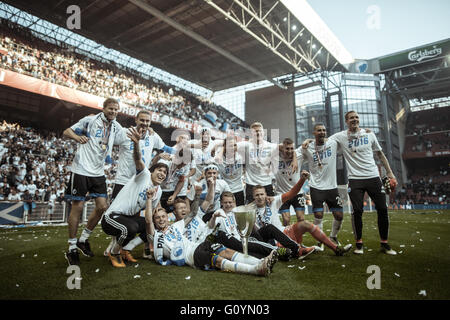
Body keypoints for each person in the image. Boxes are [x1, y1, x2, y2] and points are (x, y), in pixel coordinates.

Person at [302, 111, 398, 255]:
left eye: (357, 117)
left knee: (383, 209)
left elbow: (380, 154)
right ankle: (359, 244)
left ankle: (384, 243)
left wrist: (389, 173)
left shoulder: (369, 134)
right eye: (351, 118)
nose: (355, 119)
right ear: (346, 121)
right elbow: (322, 139)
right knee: (357, 211)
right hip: (355, 179)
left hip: (373, 177)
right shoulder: (340, 136)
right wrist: (309, 140)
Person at [145, 190, 277, 277]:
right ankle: (256, 270)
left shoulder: (175, 226)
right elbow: (147, 220)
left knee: (226, 252)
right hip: (190, 256)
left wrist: (196, 196)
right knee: (219, 261)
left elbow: (192, 213)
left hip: (198, 246)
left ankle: (261, 261)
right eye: (158, 218)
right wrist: (150, 199)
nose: (161, 219)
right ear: (154, 221)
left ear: (168, 218)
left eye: (163, 217)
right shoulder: (156, 237)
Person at [63, 98, 123, 265]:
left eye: (116, 109)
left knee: (103, 206)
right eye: (110, 109)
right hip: (81, 169)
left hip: (98, 172)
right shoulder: (90, 120)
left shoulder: (116, 126)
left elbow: (126, 136)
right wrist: (76, 137)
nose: (113, 112)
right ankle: (72, 248)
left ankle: (83, 239)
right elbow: (66, 131)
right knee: (78, 207)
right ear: (103, 108)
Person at [100, 127, 168, 267]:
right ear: (152, 171)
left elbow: (149, 216)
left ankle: (126, 249)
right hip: (111, 218)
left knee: (149, 224)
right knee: (128, 228)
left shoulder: (158, 191)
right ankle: (113, 253)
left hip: (128, 218)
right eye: (159, 170)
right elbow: (138, 159)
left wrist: (155, 233)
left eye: (165, 172)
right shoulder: (144, 176)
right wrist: (136, 143)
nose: (162, 174)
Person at [251, 171, 352, 258]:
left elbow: (292, 193)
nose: (260, 197)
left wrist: (302, 180)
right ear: (253, 197)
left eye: (261, 194)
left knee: (305, 224)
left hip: (285, 232)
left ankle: (336, 248)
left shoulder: (273, 201)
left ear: (266, 195)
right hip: (270, 241)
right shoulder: (249, 209)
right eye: (257, 195)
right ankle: (300, 250)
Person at [111, 110, 174, 202]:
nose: (145, 123)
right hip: (123, 181)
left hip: (140, 182)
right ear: (136, 120)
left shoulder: (152, 136)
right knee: (113, 211)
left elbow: (166, 148)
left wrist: (185, 150)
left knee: (133, 213)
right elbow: (108, 140)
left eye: (147, 121)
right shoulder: (125, 133)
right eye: (142, 120)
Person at [300, 124, 344, 249]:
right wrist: (307, 141)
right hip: (316, 186)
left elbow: (347, 136)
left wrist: (365, 131)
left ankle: (333, 236)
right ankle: (320, 240)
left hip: (331, 186)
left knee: (339, 215)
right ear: (314, 133)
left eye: (324, 130)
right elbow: (296, 153)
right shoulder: (308, 147)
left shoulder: (333, 143)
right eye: (319, 130)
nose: (322, 132)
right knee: (318, 215)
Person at [212, 191, 291, 260]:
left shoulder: (236, 210)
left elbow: (249, 209)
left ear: (234, 202)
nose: (228, 204)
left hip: (245, 237)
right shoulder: (219, 213)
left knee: (268, 228)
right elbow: (211, 228)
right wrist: (214, 218)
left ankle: (295, 248)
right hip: (235, 242)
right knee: (255, 247)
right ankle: (276, 250)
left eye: (230, 202)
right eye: (225, 203)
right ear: (221, 203)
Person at [274, 138, 306, 226]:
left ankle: (297, 238)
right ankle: (287, 239)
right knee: (286, 219)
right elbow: (268, 146)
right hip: (282, 193)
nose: (290, 151)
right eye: (287, 148)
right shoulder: (275, 156)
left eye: (292, 148)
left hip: (297, 192)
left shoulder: (299, 154)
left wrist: (295, 156)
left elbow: (310, 141)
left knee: (301, 218)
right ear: (282, 148)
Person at [215, 135, 245, 206]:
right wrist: (222, 148)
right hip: (226, 191)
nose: (232, 148)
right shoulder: (219, 158)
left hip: (239, 189)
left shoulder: (241, 156)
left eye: (234, 145)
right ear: (225, 147)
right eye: (230, 146)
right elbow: (215, 153)